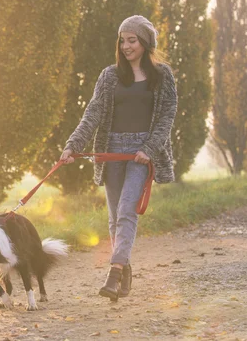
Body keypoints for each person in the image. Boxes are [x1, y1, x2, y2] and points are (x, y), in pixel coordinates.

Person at [60, 15, 177, 301]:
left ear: (145, 42)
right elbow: (94, 112)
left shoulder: (163, 77)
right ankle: (124, 267)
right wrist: (73, 145)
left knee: (127, 210)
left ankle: (113, 273)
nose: (125, 46)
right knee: (114, 219)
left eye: (132, 40)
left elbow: (166, 117)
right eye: (122, 40)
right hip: (111, 150)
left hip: (140, 154)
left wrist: (148, 149)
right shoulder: (110, 76)